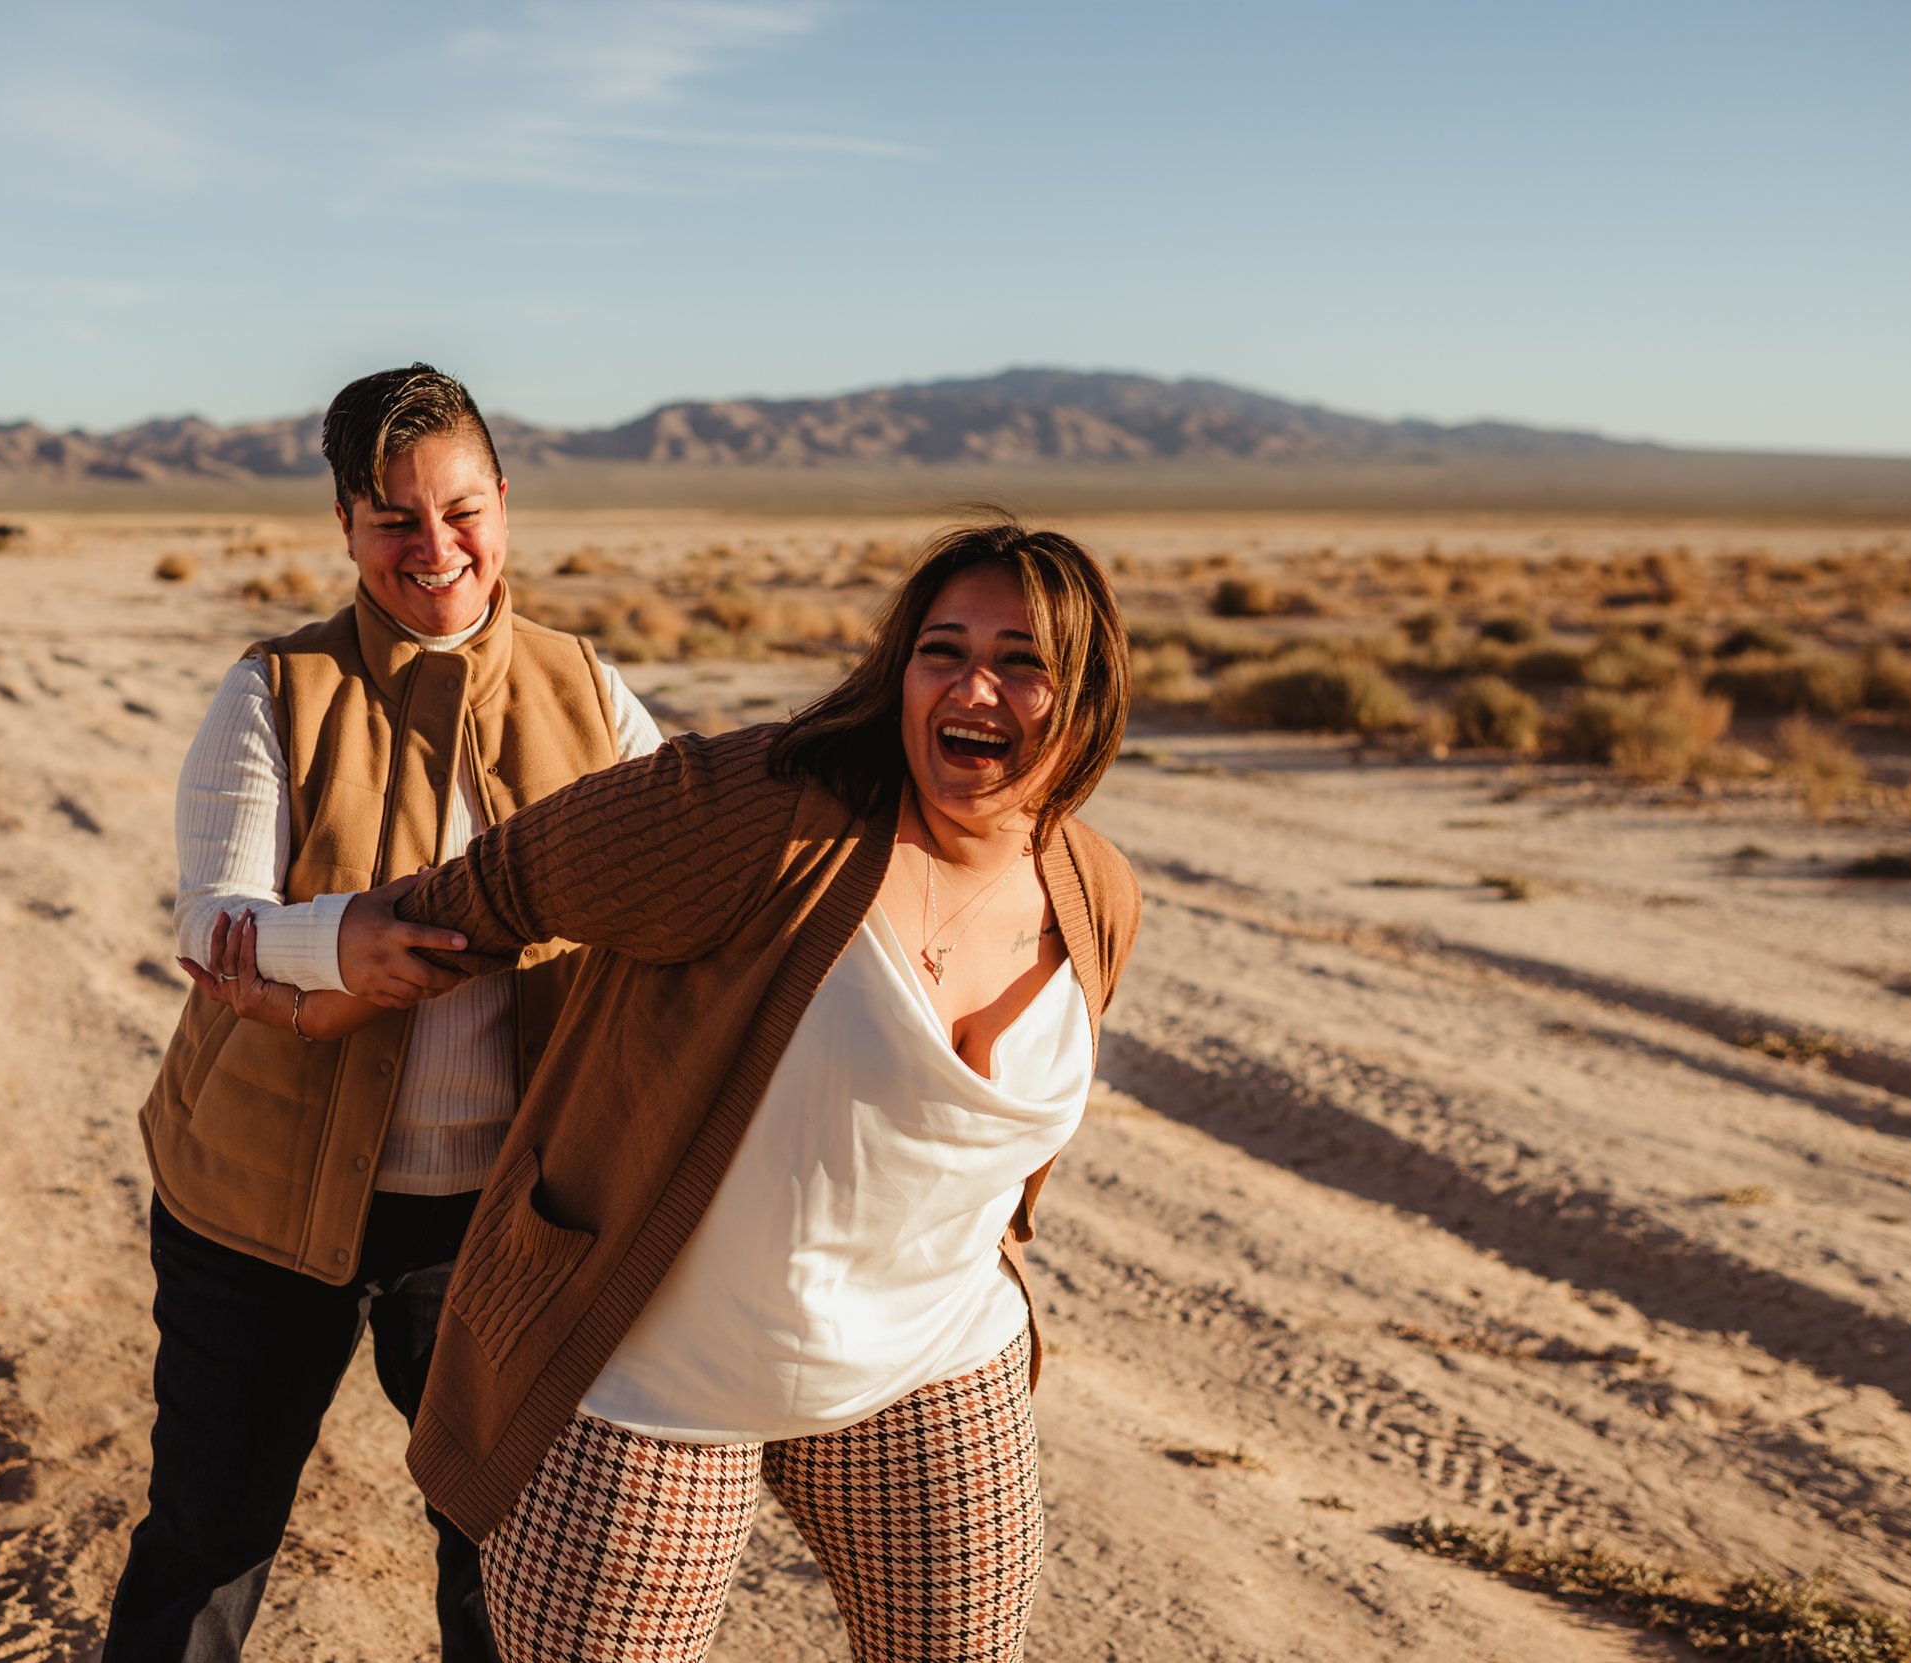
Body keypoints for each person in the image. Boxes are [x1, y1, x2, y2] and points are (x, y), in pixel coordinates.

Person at [197, 520, 1139, 1661]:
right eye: (942, 649)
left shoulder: (1092, 892)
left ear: (1085, 697)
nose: (973, 684)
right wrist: (323, 972)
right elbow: (497, 887)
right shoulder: (760, 814)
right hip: (659, 1377)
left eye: (1023, 660)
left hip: (932, 1362)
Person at [101, 363, 664, 1663]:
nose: (435, 548)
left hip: (498, 1222)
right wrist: (336, 941)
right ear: (346, 525)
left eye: (462, 510)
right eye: (396, 518)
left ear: (506, 503)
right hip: (258, 1213)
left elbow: (683, 869)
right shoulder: (273, 692)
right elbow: (211, 920)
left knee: (505, 1557)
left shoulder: (590, 691)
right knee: (210, 1535)